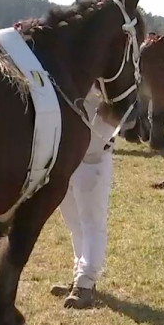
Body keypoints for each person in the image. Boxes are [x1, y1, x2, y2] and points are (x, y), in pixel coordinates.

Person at [50, 87, 117, 309]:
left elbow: (119, 108)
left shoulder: (109, 79)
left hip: (93, 155)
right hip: (69, 156)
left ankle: (86, 283)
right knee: (74, 222)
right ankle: (80, 275)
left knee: (91, 222)